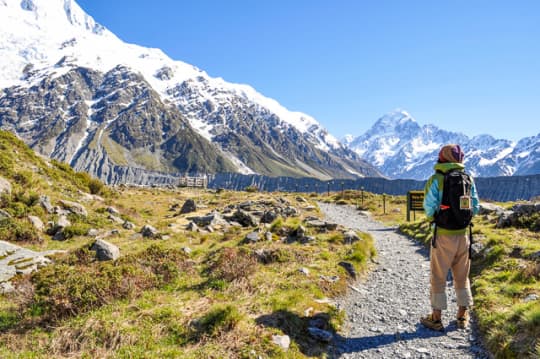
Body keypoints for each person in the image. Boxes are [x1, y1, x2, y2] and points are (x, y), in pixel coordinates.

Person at [421, 144, 480, 331]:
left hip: (443, 235)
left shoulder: (436, 179)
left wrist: (434, 220)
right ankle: (462, 316)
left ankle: (436, 318)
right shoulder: (468, 179)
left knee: (438, 276)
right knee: (462, 276)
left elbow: (429, 207)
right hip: (464, 236)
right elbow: (475, 207)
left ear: (442, 157)